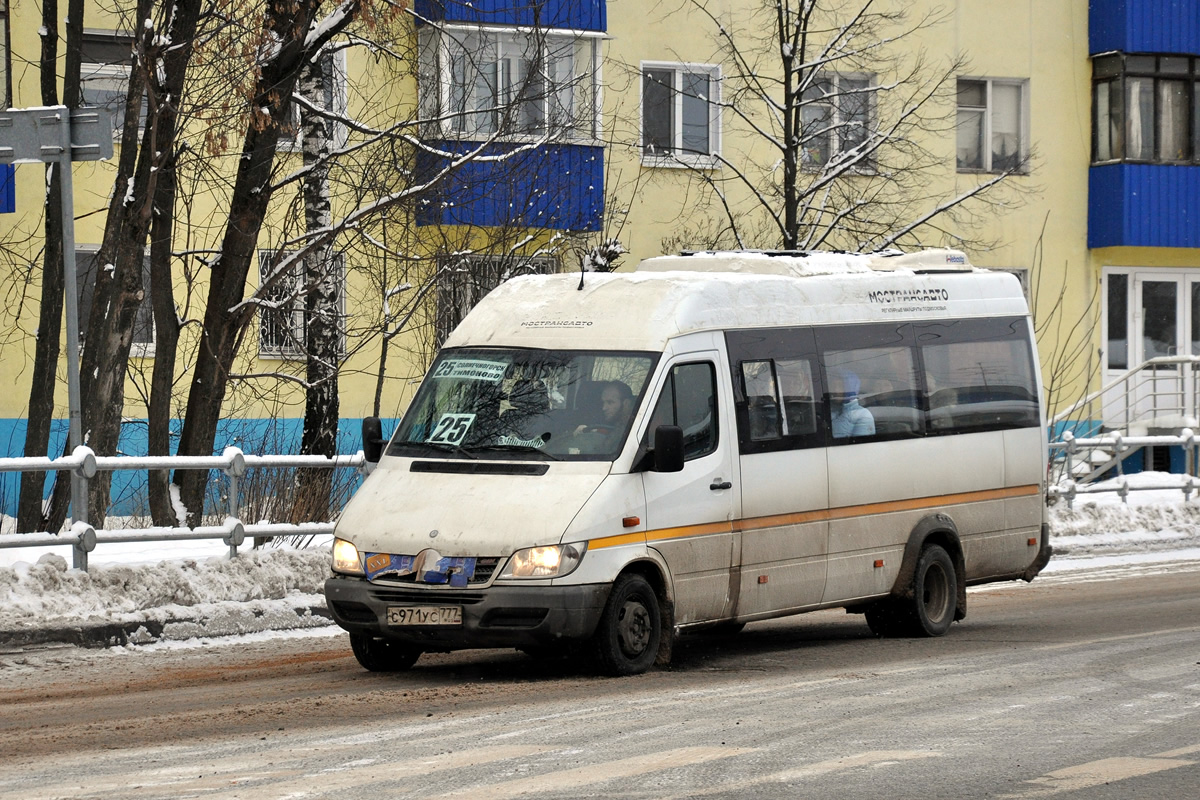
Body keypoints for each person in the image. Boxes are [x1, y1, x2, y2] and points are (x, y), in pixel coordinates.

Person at [829, 369, 875, 438]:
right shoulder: (828, 409)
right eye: (833, 386)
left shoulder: (862, 414)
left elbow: (861, 446)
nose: (836, 390)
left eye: (840, 386)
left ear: (850, 387)